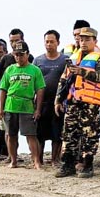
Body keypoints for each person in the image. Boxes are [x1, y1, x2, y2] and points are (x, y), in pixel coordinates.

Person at [55, 28, 100, 179]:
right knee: (69, 134)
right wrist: (58, 99)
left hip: (89, 104)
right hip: (72, 102)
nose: (83, 42)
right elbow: (63, 79)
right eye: (81, 39)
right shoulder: (73, 58)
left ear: (95, 41)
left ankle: (87, 165)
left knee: (89, 134)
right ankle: (68, 165)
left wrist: (82, 72)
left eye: (87, 39)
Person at [0, 41, 45, 169]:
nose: (19, 57)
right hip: (10, 105)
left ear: (27, 54)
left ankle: (36, 161)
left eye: (21, 54)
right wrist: (0, 109)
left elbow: (40, 90)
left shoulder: (35, 70)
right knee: (11, 135)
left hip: (27, 105)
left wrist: (38, 109)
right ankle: (13, 160)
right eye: (16, 54)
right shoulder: (10, 69)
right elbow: (3, 89)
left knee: (31, 135)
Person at [34, 30, 69, 166]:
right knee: (40, 133)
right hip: (41, 103)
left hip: (58, 102)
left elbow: (68, 80)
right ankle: (40, 159)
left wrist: (63, 100)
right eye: (46, 42)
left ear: (58, 43)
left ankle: (55, 159)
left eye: (52, 42)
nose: (49, 44)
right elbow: (33, 81)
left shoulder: (64, 60)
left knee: (57, 132)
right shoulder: (38, 60)